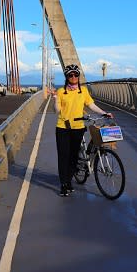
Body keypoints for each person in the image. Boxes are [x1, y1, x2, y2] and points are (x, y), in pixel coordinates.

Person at [54, 64, 113, 197]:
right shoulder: (61, 91)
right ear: (66, 77)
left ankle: (69, 181)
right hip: (63, 127)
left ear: (78, 76)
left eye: (76, 74)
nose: (73, 77)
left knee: (73, 157)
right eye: (70, 75)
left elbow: (91, 105)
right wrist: (55, 102)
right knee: (64, 156)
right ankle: (64, 184)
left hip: (78, 127)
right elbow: (57, 109)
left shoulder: (84, 90)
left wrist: (104, 113)